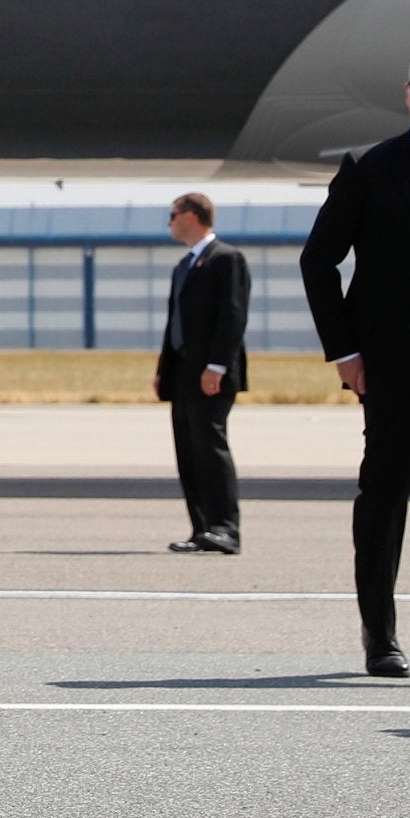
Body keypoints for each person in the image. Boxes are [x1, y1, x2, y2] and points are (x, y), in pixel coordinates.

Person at [300, 47, 410, 678]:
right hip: (395, 360)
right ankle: (380, 636)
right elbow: (319, 261)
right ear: (406, 94)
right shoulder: (370, 168)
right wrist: (346, 351)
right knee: (383, 496)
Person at [157, 192, 248, 557]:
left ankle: (225, 528)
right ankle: (202, 528)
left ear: (192, 216)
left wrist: (218, 366)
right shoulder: (184, 265)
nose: (170, 222)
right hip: (183, 374)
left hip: (211, 374)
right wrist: (164, 371)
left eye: (173, 214)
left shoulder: (227, 259)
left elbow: (233, 316)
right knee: (189, 451)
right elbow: (174, 324)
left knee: (211, 449)